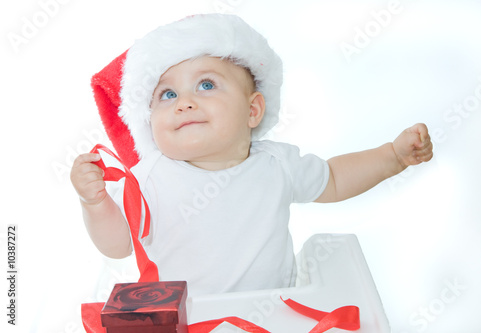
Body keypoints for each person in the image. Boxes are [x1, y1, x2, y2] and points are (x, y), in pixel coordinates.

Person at [70, 14, 433, 297]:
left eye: (206, 84)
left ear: (252, 110)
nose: (184, 103)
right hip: (187, 321)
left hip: (271, 316)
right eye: (167, 95)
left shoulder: (277, 164)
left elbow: (335, 179)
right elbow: (118, 246)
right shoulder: (149, 177)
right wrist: (96, 203)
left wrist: (392, 156)